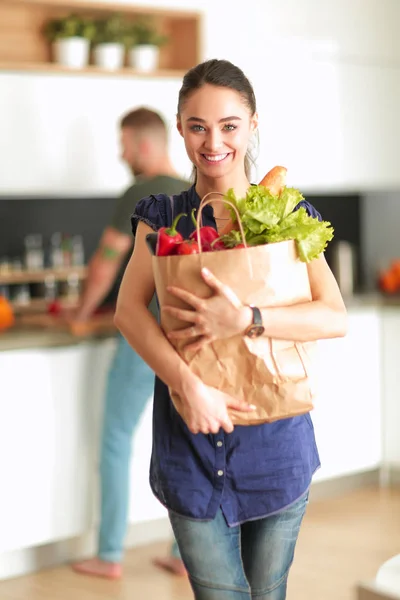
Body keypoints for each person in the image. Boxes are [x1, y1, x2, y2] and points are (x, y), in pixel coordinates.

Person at [114, 59, 348, 599]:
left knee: (268, 593)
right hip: (189, 446)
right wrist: (186, 384)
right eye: (197, 126)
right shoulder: (163, 216)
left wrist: (248, 319)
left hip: (277, 447)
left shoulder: (286, 213)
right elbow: (129, 311)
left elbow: (333, 315)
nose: (213, 142)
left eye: (229, 125)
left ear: (253, 124)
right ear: (180, 128)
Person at [71, 107, 189, 580]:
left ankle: (109, 554)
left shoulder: (141, 193)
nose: (121, 153)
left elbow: (107, 261)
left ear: (144, 144)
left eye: (124, 144)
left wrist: (81, 313)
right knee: (185, 441)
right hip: (188, 336)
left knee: (116, 437)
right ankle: (184, 554)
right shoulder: (194, 193)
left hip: (146, 332)